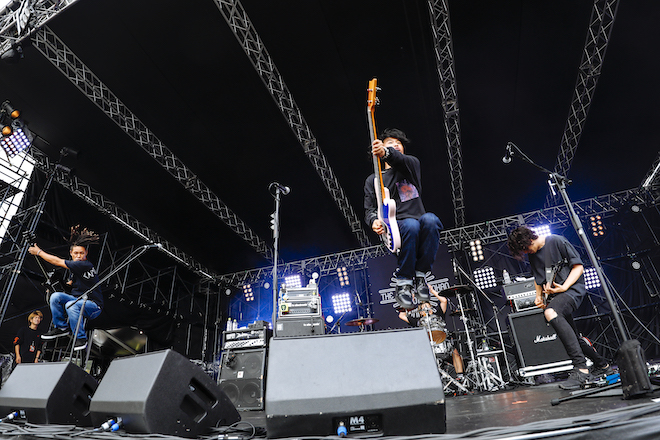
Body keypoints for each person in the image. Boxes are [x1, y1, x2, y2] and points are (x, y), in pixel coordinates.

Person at [507, 226, 613, 390]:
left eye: (525, 249)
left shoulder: (556, 241)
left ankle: (581, 369)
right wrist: (538, 296)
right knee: (573, 337)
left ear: (529, 239)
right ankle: (603, 365)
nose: (526, 253)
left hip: (572, 290)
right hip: (556, 296)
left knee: (551, 312)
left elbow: (578, 267)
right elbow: (538, 278)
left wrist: (564, 286)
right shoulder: (533, 255)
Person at [364, 128, 443, 309]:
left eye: (399, 143)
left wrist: (387, 152)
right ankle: (404, 282)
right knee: (410, 225)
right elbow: (369, 209)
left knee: (431, 220)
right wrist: (374, 221)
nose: (396, 145)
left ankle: (420, 276)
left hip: (419, 223)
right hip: (395, 228)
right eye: (391, 143)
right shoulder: (373, 180)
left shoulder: (411, 165)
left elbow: (398, 159)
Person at [28, 226, 103, 351]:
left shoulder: (84, 265)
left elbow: (57, 262)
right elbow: (69, 285)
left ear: (86, 254)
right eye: (76, 253)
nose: (78, 256)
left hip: (93, 306)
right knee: (55, 297)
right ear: (71, 253)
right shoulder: (76, 270)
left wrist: (39, 252)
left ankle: (81, 338)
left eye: (81, 253)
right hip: (77, 300)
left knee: (70, 305)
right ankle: (61, 327)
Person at [399, 285, 465, 379]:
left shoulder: (438, 315)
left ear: (431, 309)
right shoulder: (417, 321)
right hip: (427, 346)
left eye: (428, 307)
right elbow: (401, 315)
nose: (427, 310)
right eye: (424, 308)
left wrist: (432, 291)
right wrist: (409, 298)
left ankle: (460, 377)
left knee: (455, 353)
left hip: (442, 342)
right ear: (420, 312)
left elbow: (444, 301)